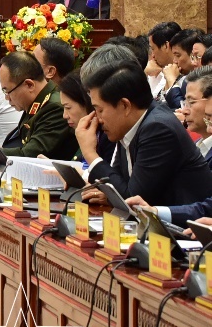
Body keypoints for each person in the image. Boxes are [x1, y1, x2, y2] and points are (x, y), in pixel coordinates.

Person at [76, 64, 212, 208]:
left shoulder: (158, 128)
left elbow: (132, 200)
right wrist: (107, 193)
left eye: (100, 110)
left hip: (188, 220)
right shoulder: (129, 126)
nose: (97, 119)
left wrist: (90, 153)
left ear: (125, 105)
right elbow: (121, 184)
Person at [0, 50, 76, 160]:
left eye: (7, 91)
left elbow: (29, 154)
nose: (6, 97)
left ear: (29, 85)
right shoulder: (35, 104)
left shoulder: (54, 107)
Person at [161, 28, 202, 109]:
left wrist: (171, 80)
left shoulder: (204, 80)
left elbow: (183, 110)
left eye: (178, 55)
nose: (174, 61)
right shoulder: (183, 77)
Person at [145, 21, 182, 100]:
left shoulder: (185, 76)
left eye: (153, 49)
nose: (153, 55)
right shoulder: (159, 72)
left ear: (166, 46)